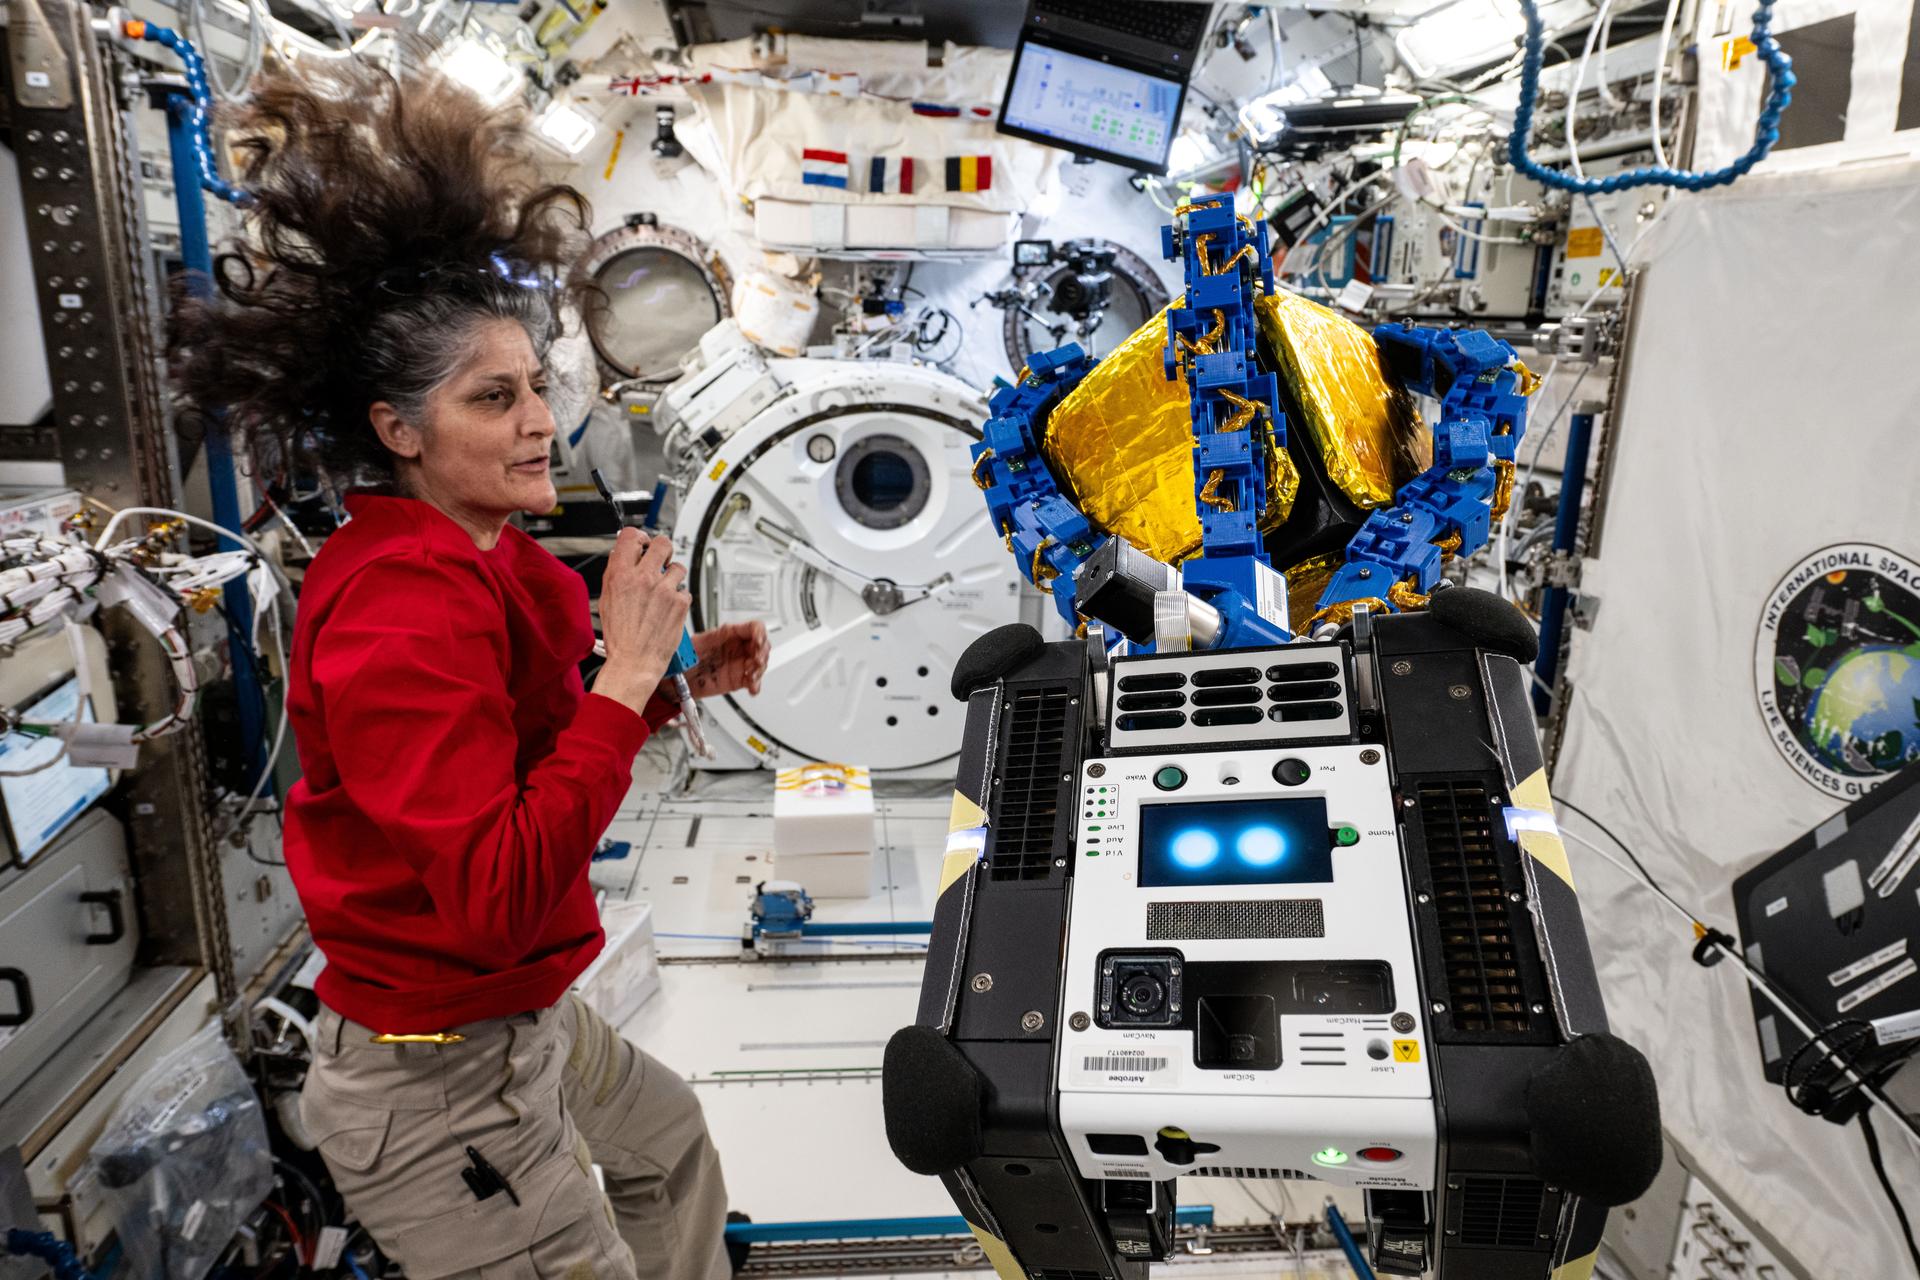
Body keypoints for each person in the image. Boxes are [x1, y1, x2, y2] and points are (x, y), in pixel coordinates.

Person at [169, 58, 767, 1280]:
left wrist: (665, 681)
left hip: (513, 1018)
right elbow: (494, 888)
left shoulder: (485, 560)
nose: (540, 419)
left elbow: (522, 746)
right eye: (494, 399)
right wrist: (623, 675)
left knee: (668, 1148)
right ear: (400, 431)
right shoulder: (398, 609)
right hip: (434, 1077)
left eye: (536, 385)